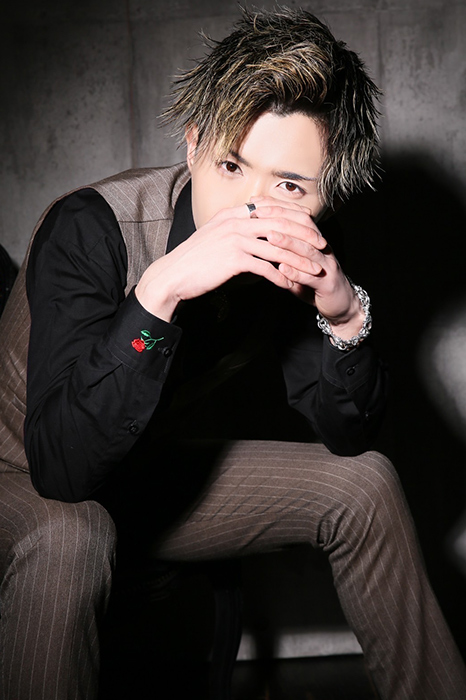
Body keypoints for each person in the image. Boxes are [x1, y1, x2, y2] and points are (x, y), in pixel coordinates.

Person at [0, 7, 464, 699]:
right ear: (193, 143)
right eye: (230, 164)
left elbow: (348, 435)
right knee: (72, 532)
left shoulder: (299, 249)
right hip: (22, 472)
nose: (249, 207)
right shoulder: (91, 226)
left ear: (326, 197)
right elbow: (60, 467)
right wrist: (158, 293)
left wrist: (345, 316)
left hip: (143, 471)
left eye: (288, 185)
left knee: (364, 483)